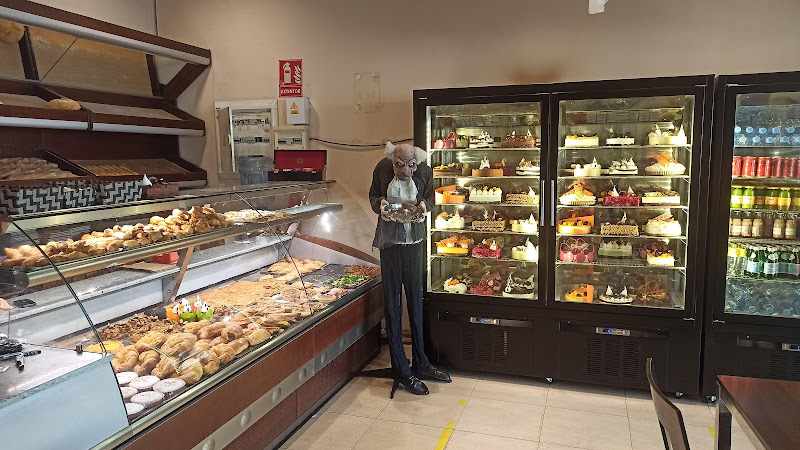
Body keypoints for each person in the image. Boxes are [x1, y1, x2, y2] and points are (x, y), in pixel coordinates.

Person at [369, 142, 451, 395]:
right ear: (392, 160)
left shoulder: (425, 171)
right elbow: (373, 197)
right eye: (399, 164)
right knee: (392, 306)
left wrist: (422, 208)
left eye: (410, 164)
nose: (405, 169)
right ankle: (401, 370)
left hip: (415, 243)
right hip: (390, 245)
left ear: (418, 162)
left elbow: (431, 198)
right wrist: (383, 205)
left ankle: (421, 363)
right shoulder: (381, 168)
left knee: (416, 301)